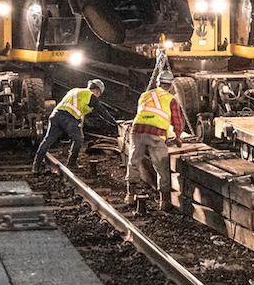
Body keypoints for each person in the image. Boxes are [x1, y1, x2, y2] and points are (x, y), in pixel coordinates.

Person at [125, 70, 185, 211]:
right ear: (170, 86)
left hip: (137, 130)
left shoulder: (144, 95)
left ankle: (130, 196)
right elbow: (177, 121)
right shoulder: (171, 99)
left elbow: (144, 112)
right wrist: (177, 137)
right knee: (161, 167)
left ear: (157, 83)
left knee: (133, 161)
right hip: (156, 134)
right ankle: (164, 202)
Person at [32, 79, 115, 172]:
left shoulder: (75, 91)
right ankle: (71, 163)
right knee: (78, 140)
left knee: (47, 141)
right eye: (99, 94)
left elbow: (83, 111)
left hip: (55, 115)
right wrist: (114, 122)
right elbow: (101, 111)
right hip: (69, 118)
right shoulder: (89, 95)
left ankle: (36, 166)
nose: (98, 96)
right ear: (97, 90)